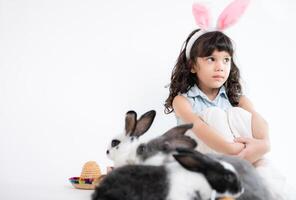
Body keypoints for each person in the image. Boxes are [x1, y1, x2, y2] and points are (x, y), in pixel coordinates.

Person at [164, 1, 294, 199]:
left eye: (226, 60)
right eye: (211, 59)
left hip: (242, 157)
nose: (220, 67)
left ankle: (272, 194)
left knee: (264, 165)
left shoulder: (236, 99)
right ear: (192, 66)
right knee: (212, 115)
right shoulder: (182, 101)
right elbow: (198, 126)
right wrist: (233, 150)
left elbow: (258, 121)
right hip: (203, 161)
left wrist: (264, 145)